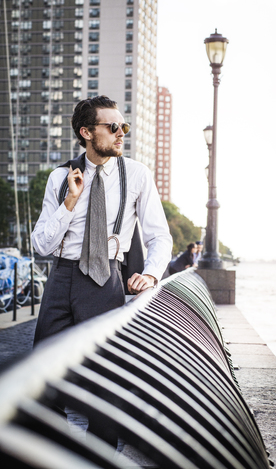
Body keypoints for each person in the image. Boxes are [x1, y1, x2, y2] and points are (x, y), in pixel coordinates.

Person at [32, 95, 172, 345]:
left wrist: (151, 275)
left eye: (124, 127)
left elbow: (159, 235)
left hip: (105, 280)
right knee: (45, 364)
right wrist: (69, 203)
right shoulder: (60, 177)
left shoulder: (137, 174)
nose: (121, 134)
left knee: (99, 366)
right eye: (112, 127)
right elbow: (41, 245)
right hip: (60, 279)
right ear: (86, 132)